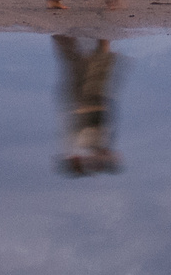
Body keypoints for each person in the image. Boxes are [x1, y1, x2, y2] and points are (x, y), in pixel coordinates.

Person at [52, 34, 124, 175]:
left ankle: (64, 34)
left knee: (82, 66)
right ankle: (63, 34)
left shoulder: (79, 147)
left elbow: (85, 121)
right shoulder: (81, 147)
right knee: (79, 65)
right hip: (87, 102)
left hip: (86, 102)